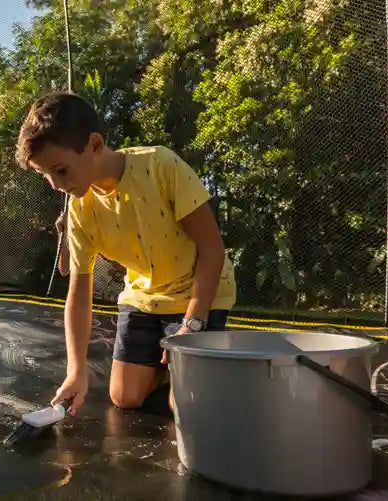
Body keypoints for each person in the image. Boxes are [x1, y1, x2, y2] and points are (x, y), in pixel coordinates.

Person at [15, 92, 236, 415]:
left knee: (186, 406)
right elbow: (78, 293)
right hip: (144, 298)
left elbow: (212, 248)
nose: (54, 185)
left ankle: (197, 374)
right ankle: (167, 370)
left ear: (94, 145)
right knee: (124, 396)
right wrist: (76, 371)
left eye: (60, 170)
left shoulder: (160, 166)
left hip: (199, 294)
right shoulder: (80, 210)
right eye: (44, 175)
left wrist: (193, 323)